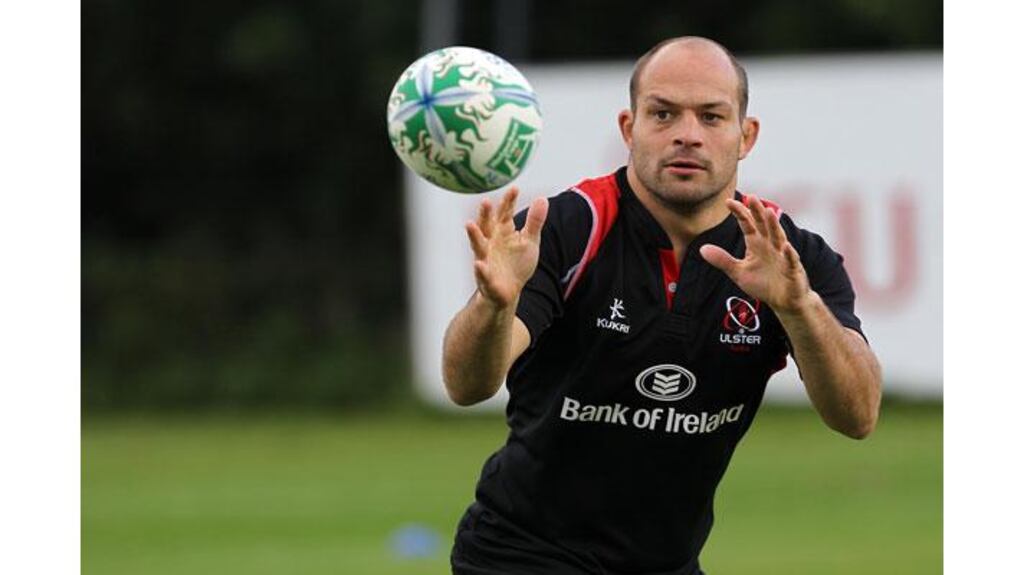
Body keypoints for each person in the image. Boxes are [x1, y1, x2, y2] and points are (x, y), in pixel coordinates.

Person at [443, 36, 882, 575]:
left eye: (712, 117)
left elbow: (857, 415)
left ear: (746, 136)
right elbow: (466, 386)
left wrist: (798, 308)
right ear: (630, 129)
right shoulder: (565, 230)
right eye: (663, 114)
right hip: (523, 555)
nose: (687, 135)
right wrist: (494, 305)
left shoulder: (790, 256)